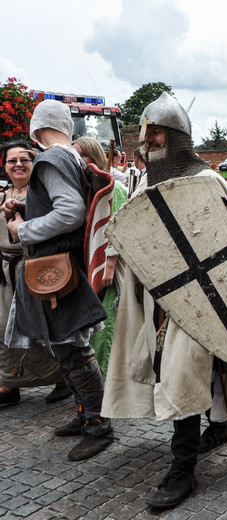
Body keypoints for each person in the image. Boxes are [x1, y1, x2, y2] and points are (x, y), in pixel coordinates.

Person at [101, 93, 227, 509]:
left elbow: (226, 249)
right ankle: (219, 425)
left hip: (204, 298)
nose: (152, 139)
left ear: (178, 135)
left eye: (159, 131)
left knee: (181, 374)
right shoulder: (146, 182)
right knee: (193, 367)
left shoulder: (209, 182)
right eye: (148, 132)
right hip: (161, 299)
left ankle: (182, 468)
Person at [3, 101, 112, 460]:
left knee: (72, 350)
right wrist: (25, 209)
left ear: (36, 126)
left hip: (55, 266)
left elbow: (70, 211)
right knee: (67, 349)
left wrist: (23, 228)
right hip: (60, 264)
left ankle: (99, 426)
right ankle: (86, 416)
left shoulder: (51, 159)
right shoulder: (69, 156)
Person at [0, 141, 66, 406]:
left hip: (37, 270)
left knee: (43, 329)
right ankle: (9, 383)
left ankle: (63, 379)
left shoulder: (45, 196)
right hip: (5, 273)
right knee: (4, 328)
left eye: (24, 159)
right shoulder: (2, 195)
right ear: (4, 166)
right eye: (11, 160)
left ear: (34, 163)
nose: (18, 164)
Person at [71, 136, 128, 375]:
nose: (79, 160)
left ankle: (106, 378)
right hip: (84, 265)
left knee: (105, 325)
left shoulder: (112, 187)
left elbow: (119, 225)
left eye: (83, 154)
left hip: (106, 268)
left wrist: (109, 265)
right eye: (74, 155)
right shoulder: (79, 186)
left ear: (94, 156)